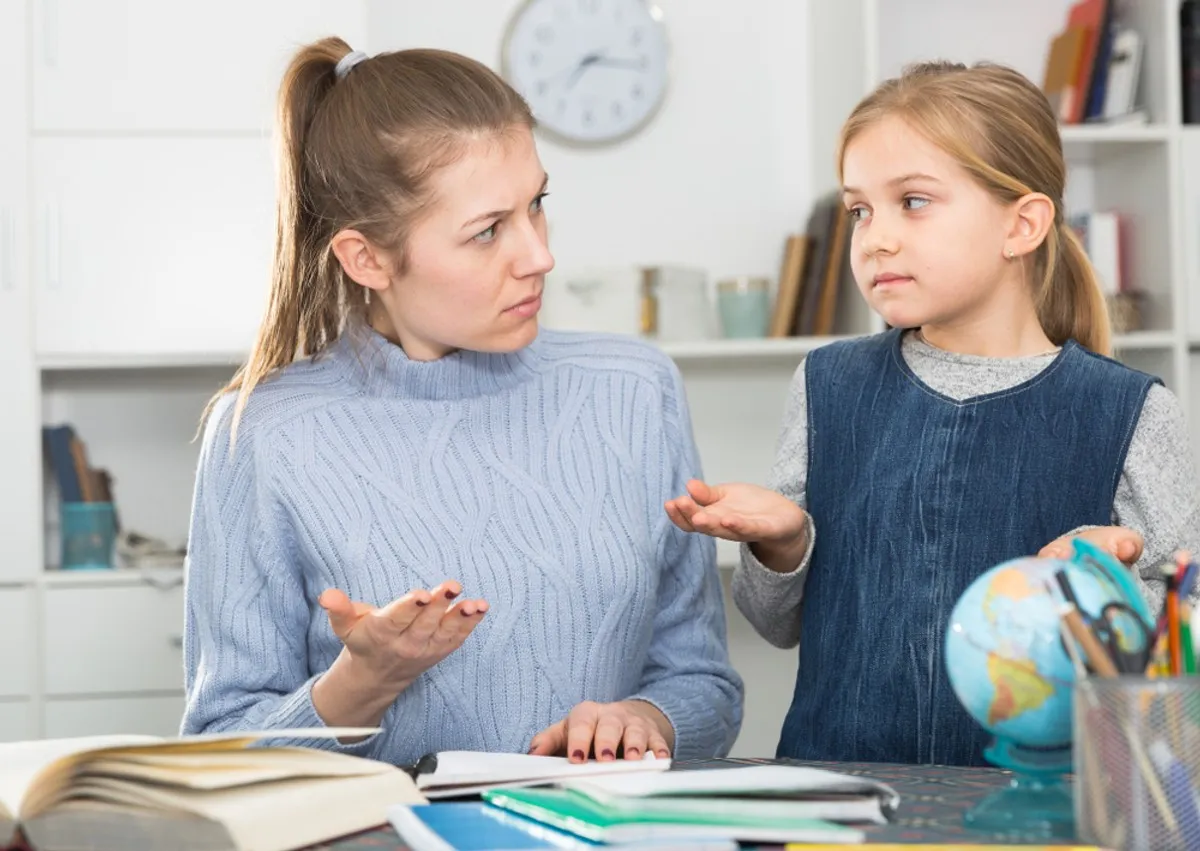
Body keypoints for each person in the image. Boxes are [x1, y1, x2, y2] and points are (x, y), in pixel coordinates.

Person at [181, 37, 743, 767]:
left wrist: (645, 718)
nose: (539, 255)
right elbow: (219, 747)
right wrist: (362, 681)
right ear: (368, 259)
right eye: (487, 231)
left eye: (536, 205)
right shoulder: (261, 433)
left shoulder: (636, 389)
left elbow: (704, 682)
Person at [665, 61, 1200, 766]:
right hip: (839, 804)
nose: (875, 237)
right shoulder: (827, 384)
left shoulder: (1132, 413)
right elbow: (777, 623)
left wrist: (1114, 590)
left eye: (912, 202)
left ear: (1023, 224)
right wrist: (784, 543)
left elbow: (1182, 655)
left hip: (1047, 818)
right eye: (860, 210)